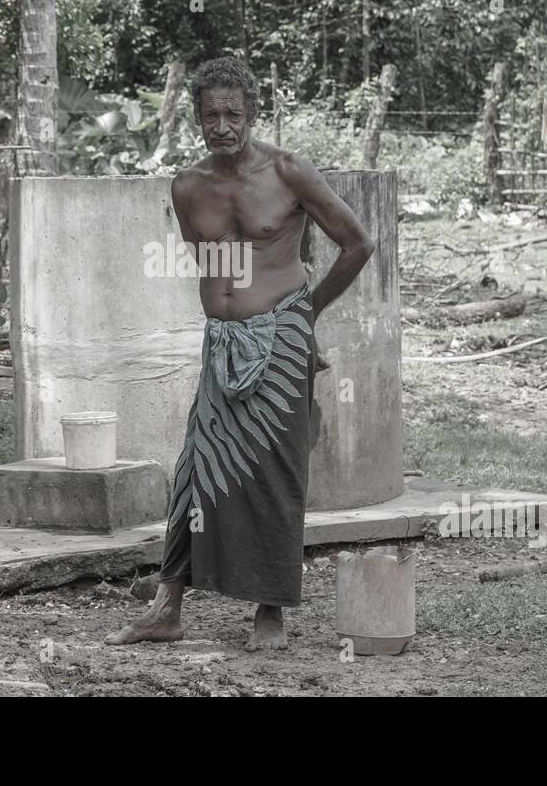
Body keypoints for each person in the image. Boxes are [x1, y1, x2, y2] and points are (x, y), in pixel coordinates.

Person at [106, 55, 375, 651]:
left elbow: (358, 243)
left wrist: (307, 311)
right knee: (197, 469)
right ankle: (167, 607)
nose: (222, 125)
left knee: (276, 474)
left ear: (252, 112)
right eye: (210, 115)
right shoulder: (188, 185)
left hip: (280, 341)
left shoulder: (288, 171)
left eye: (233, 113)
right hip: (222, 345)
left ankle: (270, 612)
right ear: (197, 118)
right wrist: (230, 315)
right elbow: (215, 264)